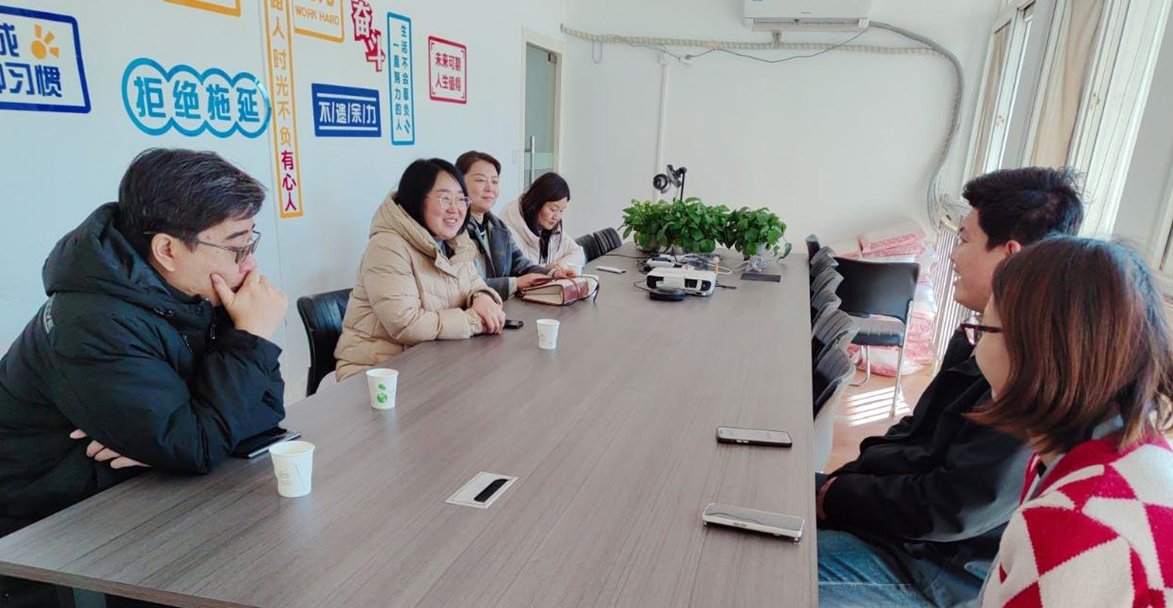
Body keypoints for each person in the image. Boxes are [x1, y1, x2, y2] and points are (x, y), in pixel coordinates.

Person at [0, 149, 288, 606]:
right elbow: (197, 445)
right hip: (49, 531)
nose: (249, 265)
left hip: (140, 498)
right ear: (167, 250)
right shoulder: (95, 321)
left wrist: (170, 441)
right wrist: (250, 337)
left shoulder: (191, 291)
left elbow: (267, 409)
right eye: (237, 247)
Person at [816, 167, 1085, 608]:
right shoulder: (980, 335)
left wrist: (841, 495)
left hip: (930, 571)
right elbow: (913, 433)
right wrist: (844, 486)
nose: (953, 257)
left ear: (1010, 257)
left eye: (964, 240)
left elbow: (953, 509)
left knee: (750, 572)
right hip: (894, 531)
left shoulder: (1035, 372)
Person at [970, 237, 1173, 607]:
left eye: (983, 327)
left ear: (1034, 350)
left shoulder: (1073, 520)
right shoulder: (1139, 445)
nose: (975, 344)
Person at [334, 158, 505, 381]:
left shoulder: (455, 242)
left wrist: (482, 297)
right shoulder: (387, 246)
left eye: (460, 199)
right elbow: (406, 324)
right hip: (379, 372)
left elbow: (474, 284)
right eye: (445, 198)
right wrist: (474, 320)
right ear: (416, 199)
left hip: (433, 363)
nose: (455, 209)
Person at [456, 151, 575, 300]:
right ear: (458, 183)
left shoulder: (498, 227)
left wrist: (553, 274)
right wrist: (515, 283)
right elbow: (465, 285)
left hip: (500, 306)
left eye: (494, 182)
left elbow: (521, 265)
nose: (490, 188)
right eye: (480, 180)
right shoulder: (454, 230)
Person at [500, 172, 586, 268]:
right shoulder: (508, 230)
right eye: (553, 209)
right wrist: (548, 270)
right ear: (536, 203)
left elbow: (579, 253)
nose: (557, 217)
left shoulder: (553, 229)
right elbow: (517, 271)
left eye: (561, 210)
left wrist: (558, 266)